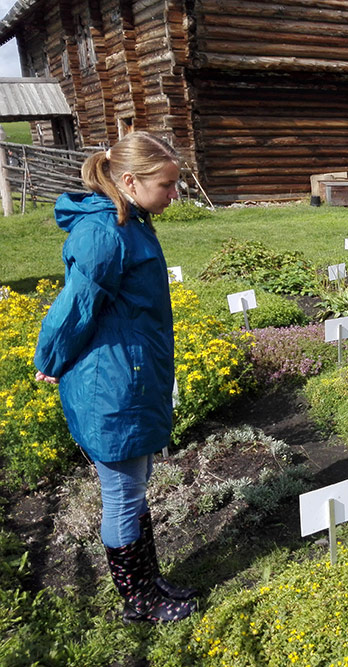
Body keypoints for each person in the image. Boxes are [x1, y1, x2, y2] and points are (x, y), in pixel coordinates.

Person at [33, 131, 197, 623]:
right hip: (111, 386)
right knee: (123, 493)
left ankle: (148, 582)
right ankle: (139, 601)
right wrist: (51, 357)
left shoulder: (131, 221)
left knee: (134, 488)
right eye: (167, 185)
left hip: (130, 374)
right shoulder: (105, 232)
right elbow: (74, 306)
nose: (174, 194)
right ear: (129, 180)